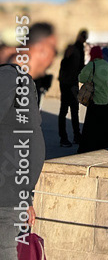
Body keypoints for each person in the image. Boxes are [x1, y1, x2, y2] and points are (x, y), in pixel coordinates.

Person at [0, 21, 57, 260]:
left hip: (15, 198)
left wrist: (26, 198)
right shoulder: (8, 76)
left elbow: (22, 141)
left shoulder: (23, 80)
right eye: (54, 50)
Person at [76, 46, 108, 154]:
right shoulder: (106, 64)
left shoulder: (92, 65)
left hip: (95, 100)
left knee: (92, 128)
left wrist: (90, 77)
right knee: (105, 127)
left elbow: (81, 78)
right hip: (106, 99)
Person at [58, 28, 87, 147]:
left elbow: (80, 67)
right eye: (83, 37)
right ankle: (63, 138)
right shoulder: (73, 48)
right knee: (64, 110)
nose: (84, 39)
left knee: (75, 110)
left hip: (73, 83)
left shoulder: (80, 49)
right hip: (66, 83)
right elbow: (64, 64)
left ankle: (76, 136)